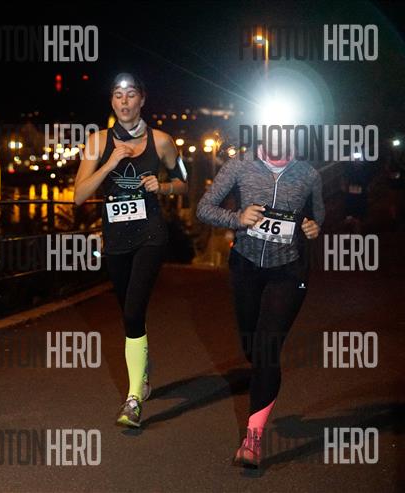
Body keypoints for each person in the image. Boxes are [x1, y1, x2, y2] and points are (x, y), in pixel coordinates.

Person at [197, 136, 324, 467]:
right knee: (253, 350)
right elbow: (204, 209)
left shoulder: (308, 174)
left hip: (288, 271)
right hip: (246, 267)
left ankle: (252, 439)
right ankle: (264, 378)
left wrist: (314, 227)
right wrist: (237, 219)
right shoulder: (239, 165)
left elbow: (317, 217)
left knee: (267, 350)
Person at [74, 73, 187, 427]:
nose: (124, 101)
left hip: (151, 235)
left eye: (131, 94)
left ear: (142, 99)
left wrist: (163, 187)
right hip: (116, 240)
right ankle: (143, 372)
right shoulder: (96, 142)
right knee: (129, 314)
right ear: (112, 101)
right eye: (118, 95)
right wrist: (109, 163)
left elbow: (185, 182)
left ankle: (133, 400)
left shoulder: (162, 141)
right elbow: (78, 195)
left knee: (135, 310)